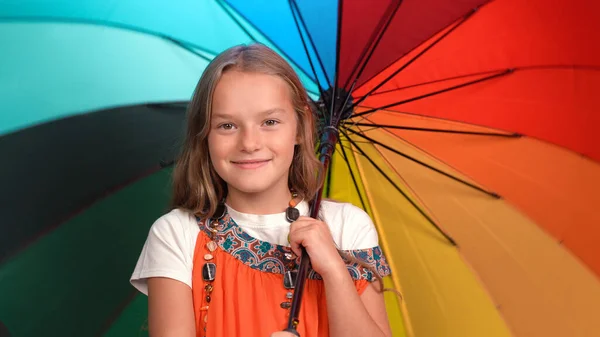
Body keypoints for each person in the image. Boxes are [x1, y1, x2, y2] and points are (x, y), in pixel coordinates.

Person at [130, 43, 393, 337]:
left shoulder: (348, 226)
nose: (250, 143)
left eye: (270, 122)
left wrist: (333, 269)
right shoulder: (177, 234)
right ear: (204, 135)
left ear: (300, 126)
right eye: (227, 125)